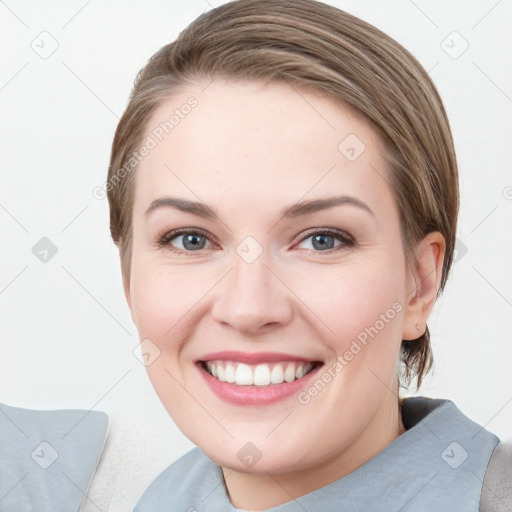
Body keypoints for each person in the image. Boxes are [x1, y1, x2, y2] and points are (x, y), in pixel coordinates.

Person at [105, 0, 511, 510]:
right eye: (190, 239)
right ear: (129, 277)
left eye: (323, 239)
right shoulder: (159, 498)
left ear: (418, 284)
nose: (248, 308)